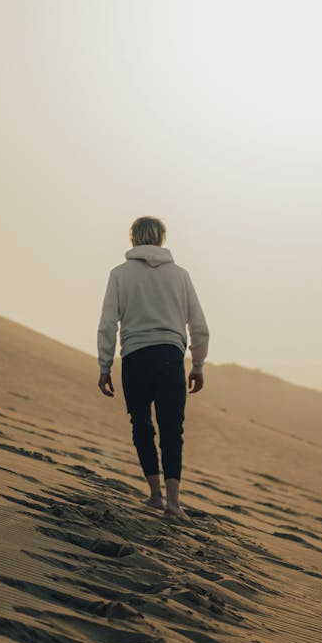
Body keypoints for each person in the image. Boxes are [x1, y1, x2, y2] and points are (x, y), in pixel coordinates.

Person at [97, 216, 209, 517]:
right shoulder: (180, 276)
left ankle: (155, 495)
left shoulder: (120, 274)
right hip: (171, 357)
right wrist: (197, 364)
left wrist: (104, 365)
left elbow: (108, 324)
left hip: (135, 358)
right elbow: (198, 325)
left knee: (142, 425)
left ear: (133, 238)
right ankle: (174, 502)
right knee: (173, 429)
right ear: (162, 239)